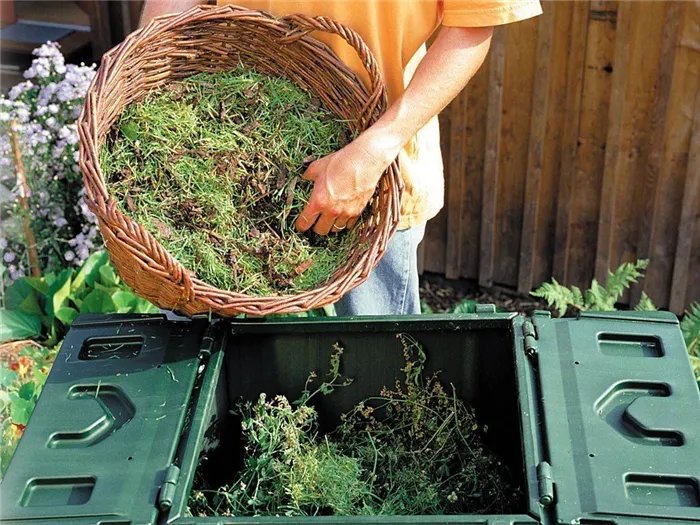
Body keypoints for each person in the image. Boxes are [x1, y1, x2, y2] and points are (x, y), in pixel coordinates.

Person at [139, 0, 542, 316]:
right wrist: (149, 76)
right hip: (229, 144)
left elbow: (472, 23)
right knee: (210, 365)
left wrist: (374, 150)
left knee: (376, 372)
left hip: (375, 174)